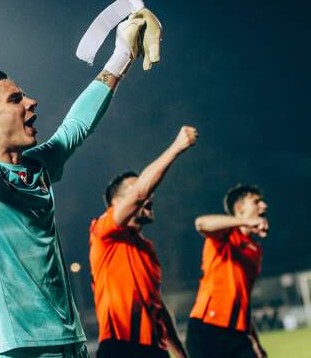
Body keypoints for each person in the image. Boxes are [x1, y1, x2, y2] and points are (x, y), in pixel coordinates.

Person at [0, 0, 162, 357]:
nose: (31, 102)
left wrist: (121, 55)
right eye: (15, 99)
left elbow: (77, 125)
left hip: (72, 344)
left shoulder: (36, 166)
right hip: (15, 350)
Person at [89, 126, 196, 358]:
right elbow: (139, 194)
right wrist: (176, 147)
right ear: (116, 203)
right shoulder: (104, 233)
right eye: (139, 187)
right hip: (121, 346)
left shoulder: (147, 248)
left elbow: (157, 306)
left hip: (155, 349)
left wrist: (180, 353)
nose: (149, 193)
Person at [186, 184, 269, 358]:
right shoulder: (224, 234)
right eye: (256, 202)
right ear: (239, 209)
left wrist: (255, 341)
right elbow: (201, 223)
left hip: (237, 334)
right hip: (208, 328)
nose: (264, 206)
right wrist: (245, 222)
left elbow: (244, 300)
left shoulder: (255, 250)